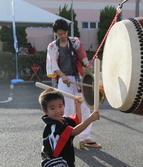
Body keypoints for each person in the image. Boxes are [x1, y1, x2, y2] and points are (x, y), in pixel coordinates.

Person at [46, 18, 101, 147]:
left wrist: (87, 64)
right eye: (60, 34)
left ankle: (85, 136)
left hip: (78, 78)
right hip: (64, 80)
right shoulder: (53, 46)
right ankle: (66, 137)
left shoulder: (75, 41)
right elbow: (53, 64)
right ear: (55, 33)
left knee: (84, 105)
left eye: (64, 33)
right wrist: (62, 76)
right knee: (66, 108)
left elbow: (82, 54)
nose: (63, 36)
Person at [39, 88, 100, 167]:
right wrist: (90, 119)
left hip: (64, 158)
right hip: (54, 162)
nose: (58, 111)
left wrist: (77, 106)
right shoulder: (54, 126)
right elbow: (74, 131)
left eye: (60, 106)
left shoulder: (63, 120)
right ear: (45, 111)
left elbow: (77, 121)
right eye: (52, 108)